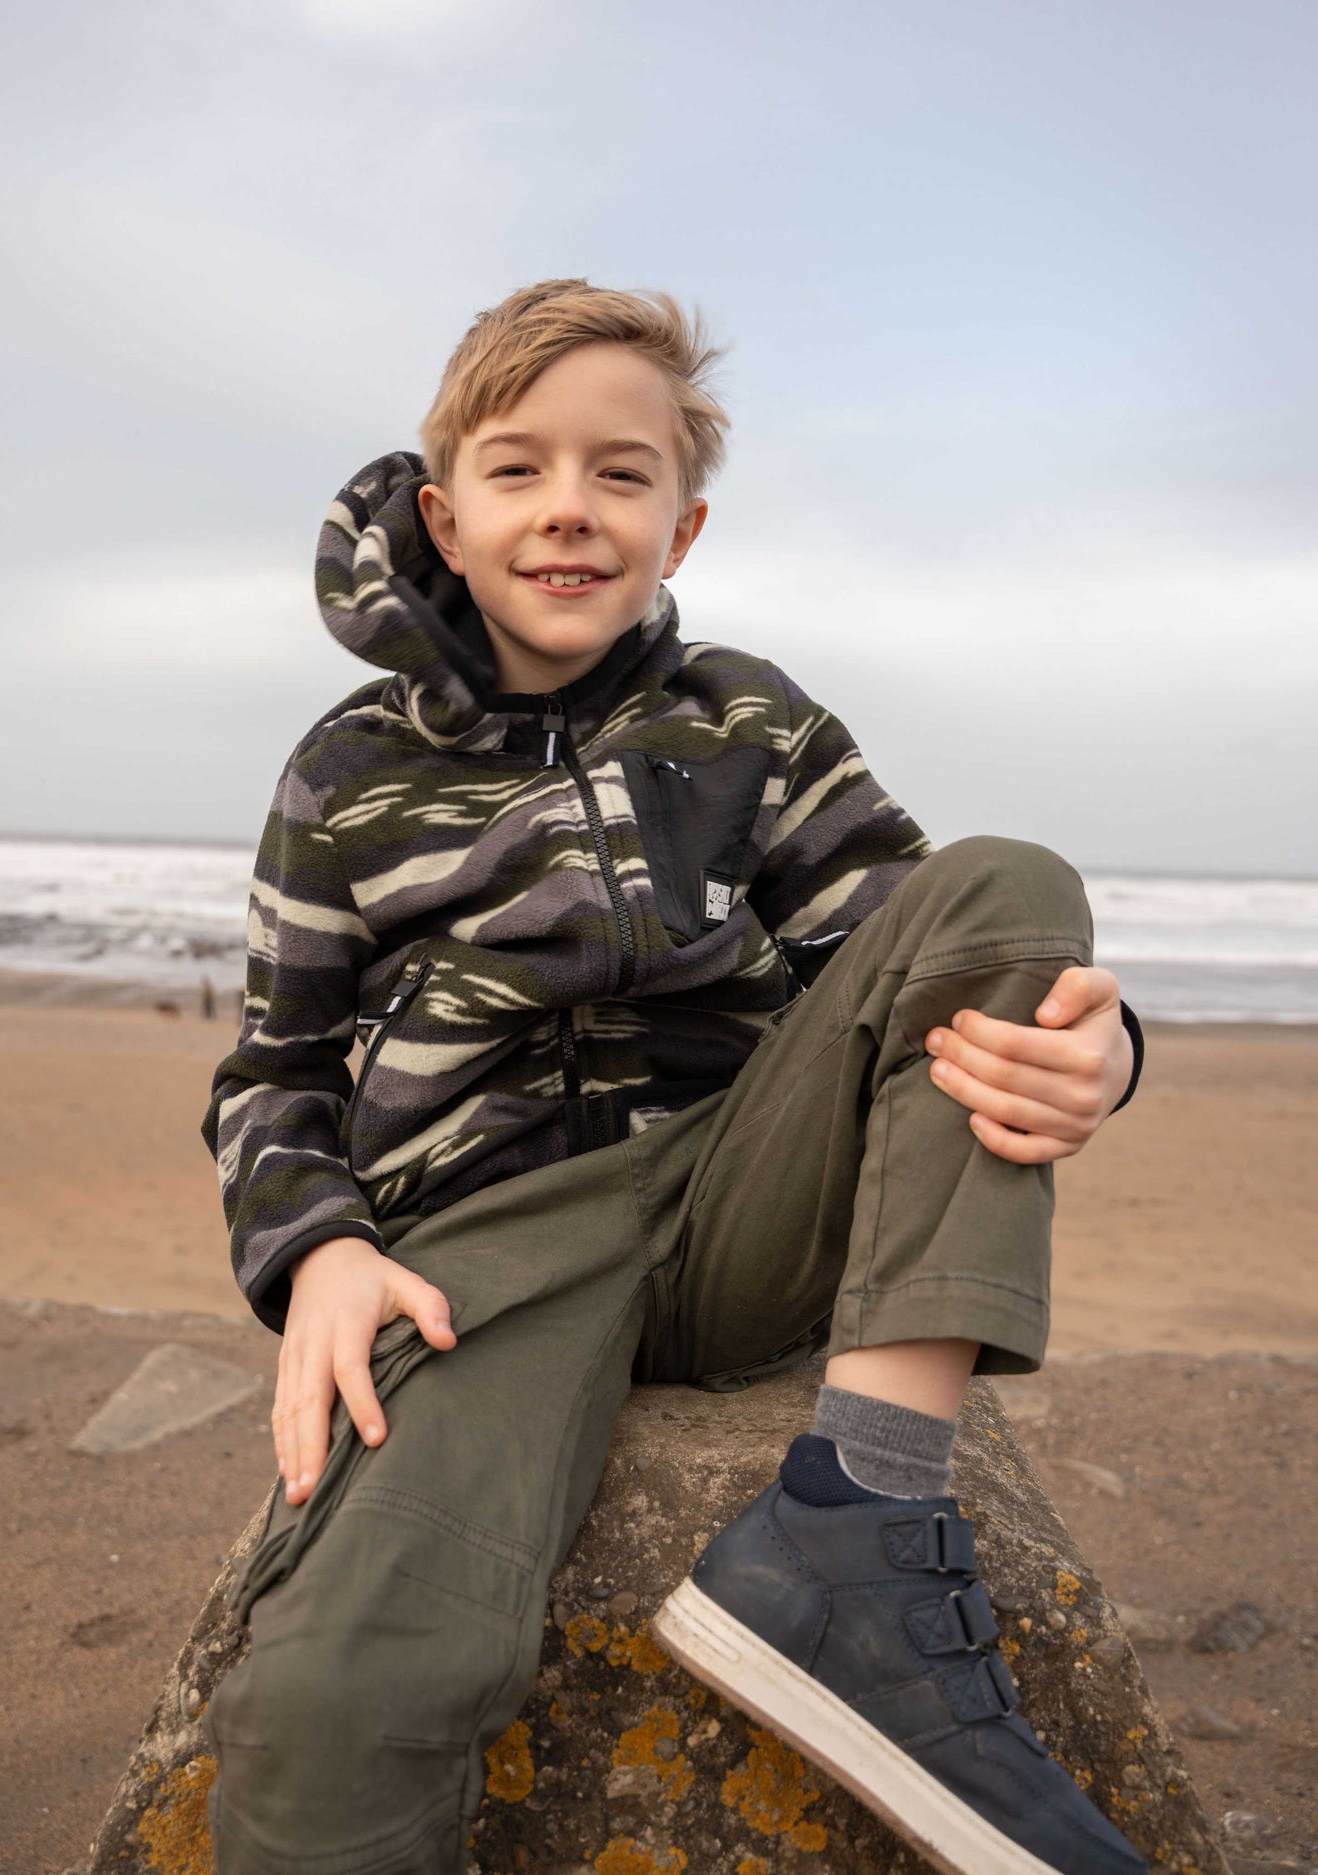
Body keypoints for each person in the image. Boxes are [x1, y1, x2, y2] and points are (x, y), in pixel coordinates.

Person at [198, 278, 1148, 1875]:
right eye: (519, 470)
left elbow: (911, 950)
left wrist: (1101, 1060)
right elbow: (275, 1067)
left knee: (1008, 880)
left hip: (744, 1200)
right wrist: (322, 1250)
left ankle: (857, 1532)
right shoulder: (345, 771)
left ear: (682, 529)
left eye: (620, 474)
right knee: (333, 1693)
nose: (569, 510)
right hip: (489, 1260)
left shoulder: (747, 721)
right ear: (445, 511)